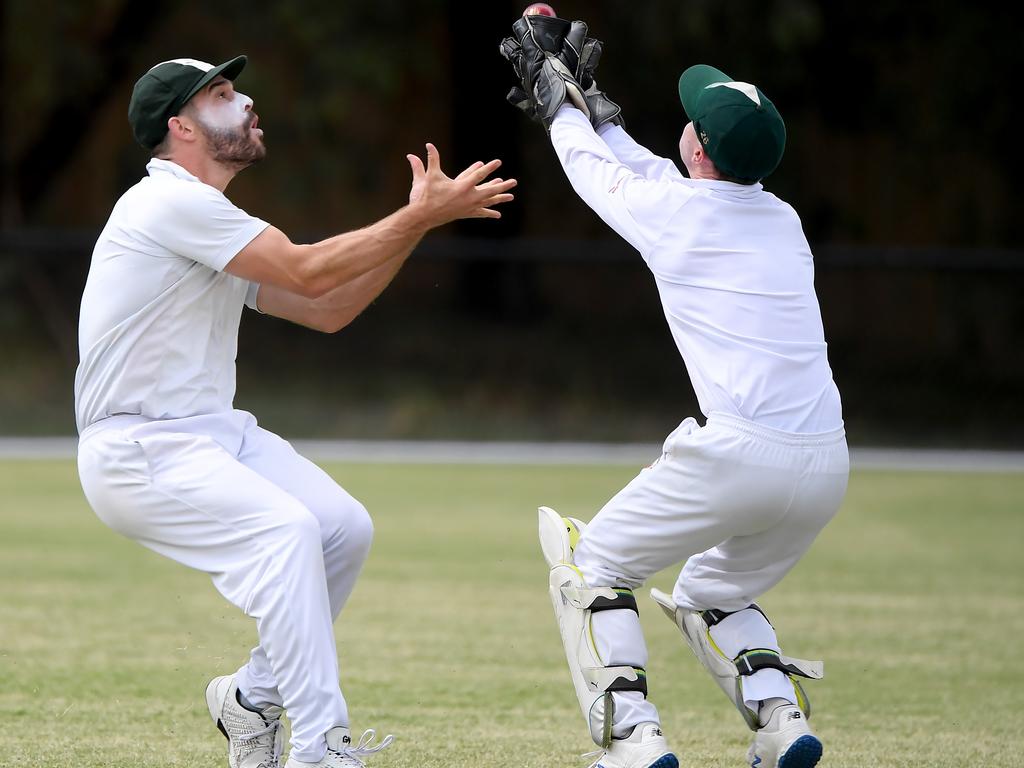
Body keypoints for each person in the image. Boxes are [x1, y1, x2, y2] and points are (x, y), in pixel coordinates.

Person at [74, 55, 515, 768]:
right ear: (180, 128)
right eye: (221, 94)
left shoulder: (210, 218)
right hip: (138, 450)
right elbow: (309, 269)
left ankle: (251, 700)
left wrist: (417, 225)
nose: (244, 100)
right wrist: (416, 214)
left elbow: (328, 307)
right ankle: (321, 749)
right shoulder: (166, 204)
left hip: (211, 436)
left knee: (342, 528)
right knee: (287, 533)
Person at [501, 17, 847, 768]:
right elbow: (652, 174)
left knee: (592, 568)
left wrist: (562, 104)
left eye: (690, 123)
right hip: (826, 462)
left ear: (696, 148)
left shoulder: (678, 214)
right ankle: (782, 721)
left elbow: (596, 172)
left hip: (740, 451)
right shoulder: (781, 220)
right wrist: (592, 99)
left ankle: (634, 740)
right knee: (712, 592)